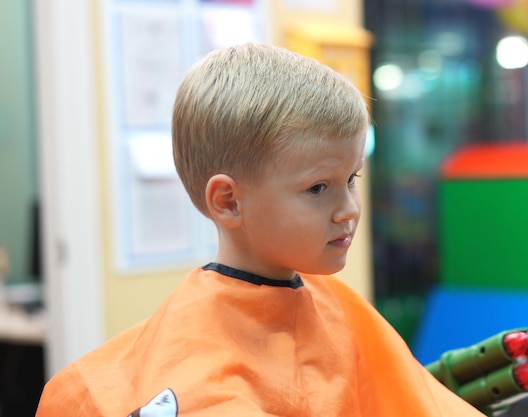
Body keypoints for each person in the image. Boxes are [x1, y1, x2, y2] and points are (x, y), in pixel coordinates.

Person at [35, 43, 485, 416]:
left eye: (352, 179)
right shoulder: (204, 376)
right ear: (229, 202)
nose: (348, 210)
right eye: (318, 188)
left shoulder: (338, 308)